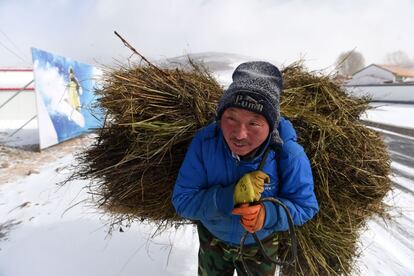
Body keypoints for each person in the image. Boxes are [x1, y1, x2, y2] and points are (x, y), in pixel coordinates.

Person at [172, 61, 319, 276]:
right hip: (213, 239)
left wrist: (267, 214)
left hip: (260, 245)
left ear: (271, 125)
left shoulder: (288, 154)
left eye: (254, 123)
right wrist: (230, 195)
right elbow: (183, 201)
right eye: (231, 118)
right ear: (220, 117)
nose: (239, 134)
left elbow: (305, 207)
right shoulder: (205, 142)